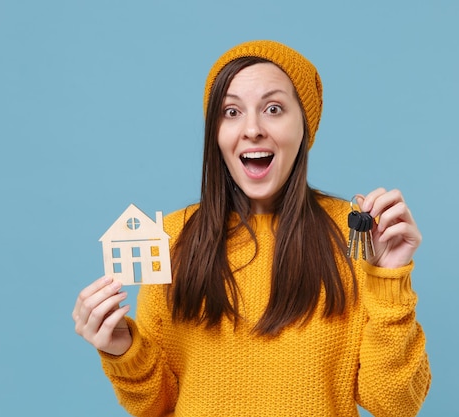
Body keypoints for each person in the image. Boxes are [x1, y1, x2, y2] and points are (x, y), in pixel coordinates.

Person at [73, 40, 431, 417]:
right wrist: (122, 348)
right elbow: (155, 405)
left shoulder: (358, 236)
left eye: (273, 108)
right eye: (231, 111)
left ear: (305, 125)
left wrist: (388, 278)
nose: (253, 129)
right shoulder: (170, 239)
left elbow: (395, 404)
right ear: (216, 132)